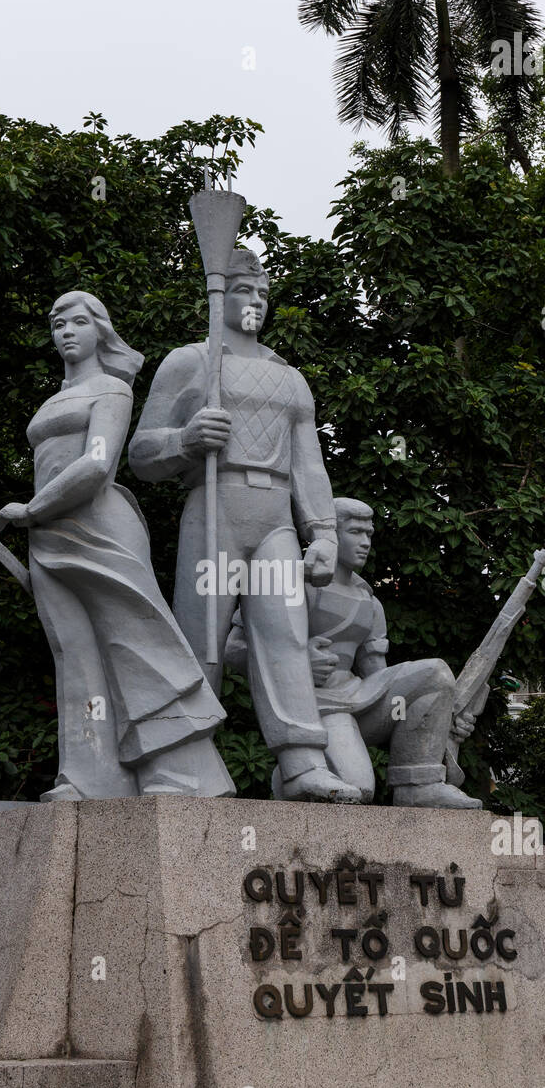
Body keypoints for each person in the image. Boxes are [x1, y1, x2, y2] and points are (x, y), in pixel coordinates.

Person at [128, 250, 360, 802]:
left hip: (275, 517)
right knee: (202, 639)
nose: (254, 301)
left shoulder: (290, 379)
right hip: (214, 506)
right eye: (241, 291)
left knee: (283, 632)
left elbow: (309, 464)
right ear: (219, 296)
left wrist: (323, 532)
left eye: (261, 292)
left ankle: (302, 763)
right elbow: (139, 452)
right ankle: (185, 759)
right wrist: (184, 441)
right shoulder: (191, 363)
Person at [0, 291, 234, 801]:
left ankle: (184, 773)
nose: (66, 332)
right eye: (58, 323)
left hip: (99, 527)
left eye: (78, 321)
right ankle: (89, 776)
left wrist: (32, 510)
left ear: (100, 330)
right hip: (48, 536)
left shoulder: (112, 389)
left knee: (137, 647)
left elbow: (98, 464)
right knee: (73, 653)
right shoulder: (52, 400)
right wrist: (38, 521)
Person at [226, 498, 480, 807]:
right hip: (317, 707)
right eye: (356, 532)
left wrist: (443, 715)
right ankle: (292, 774)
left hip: (359, 699)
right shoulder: (288, 583)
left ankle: (419, 784)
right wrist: (297, 660)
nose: (365, 543)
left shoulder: (369, 601)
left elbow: (379, 677)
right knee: (358, 788)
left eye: (369, 534)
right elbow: (233, 650)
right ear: (331, 534)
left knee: (435, 674)